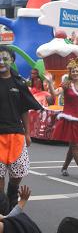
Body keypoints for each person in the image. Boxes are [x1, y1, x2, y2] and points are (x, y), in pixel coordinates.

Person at [0, 46, 42, 211]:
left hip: (17, 134)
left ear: (11, 60)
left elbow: (25, 109)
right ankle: (4, 211)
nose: (1, 61)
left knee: (17, 175)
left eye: (5, 58)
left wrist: (27, 133)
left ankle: (12, 193)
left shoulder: (19, 82)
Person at [45, 57, 78, 180]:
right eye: (73, 71)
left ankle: (64, 167)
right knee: (75, 145)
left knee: (73, 146)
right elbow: (54, 94)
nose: (75, 73)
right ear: (70, 73)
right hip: (69, 119)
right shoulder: (66, 85)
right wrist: (50, 83)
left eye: (77, 71)